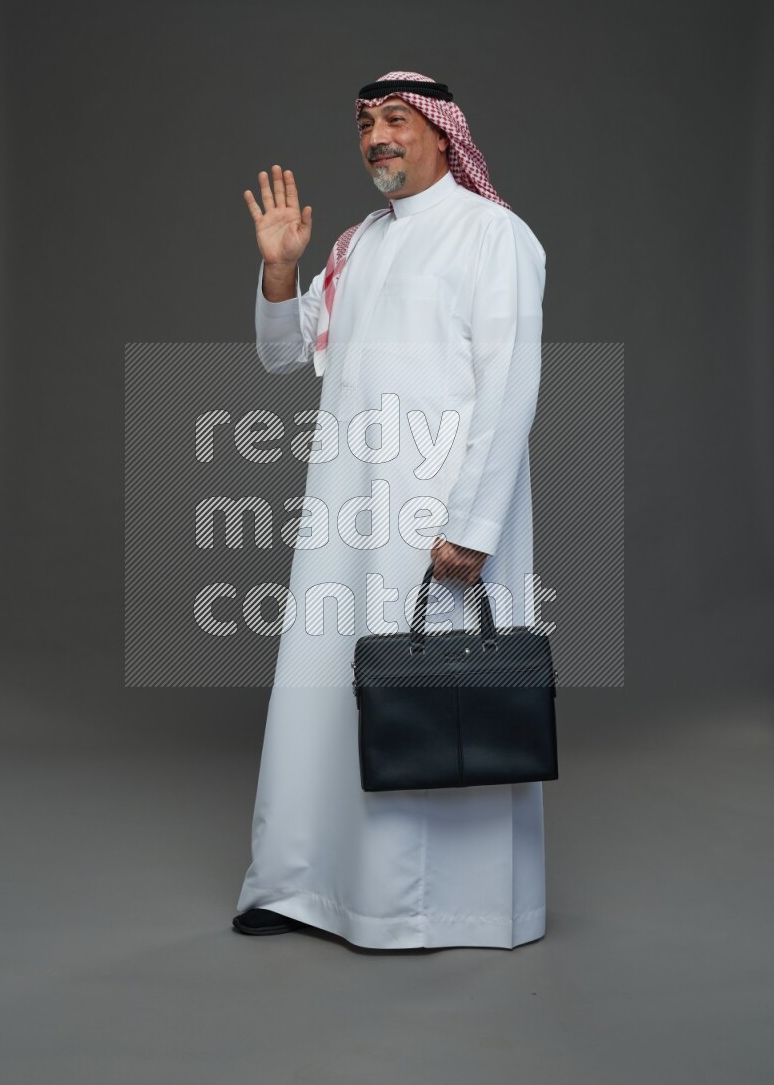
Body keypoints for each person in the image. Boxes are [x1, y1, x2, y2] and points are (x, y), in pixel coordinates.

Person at [233, 71, 548, 948]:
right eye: (366, 122)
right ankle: (304, 887)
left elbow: (511, 385)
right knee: (329, 692)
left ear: (445, 136)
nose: (377, 136)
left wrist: (474, 527)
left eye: (397, 121)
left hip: (437, 518)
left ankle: (442, 910)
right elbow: (282, 358)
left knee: (439, 697)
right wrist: (281, 268)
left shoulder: (496, 237)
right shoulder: (356, 245)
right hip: (345, 508)